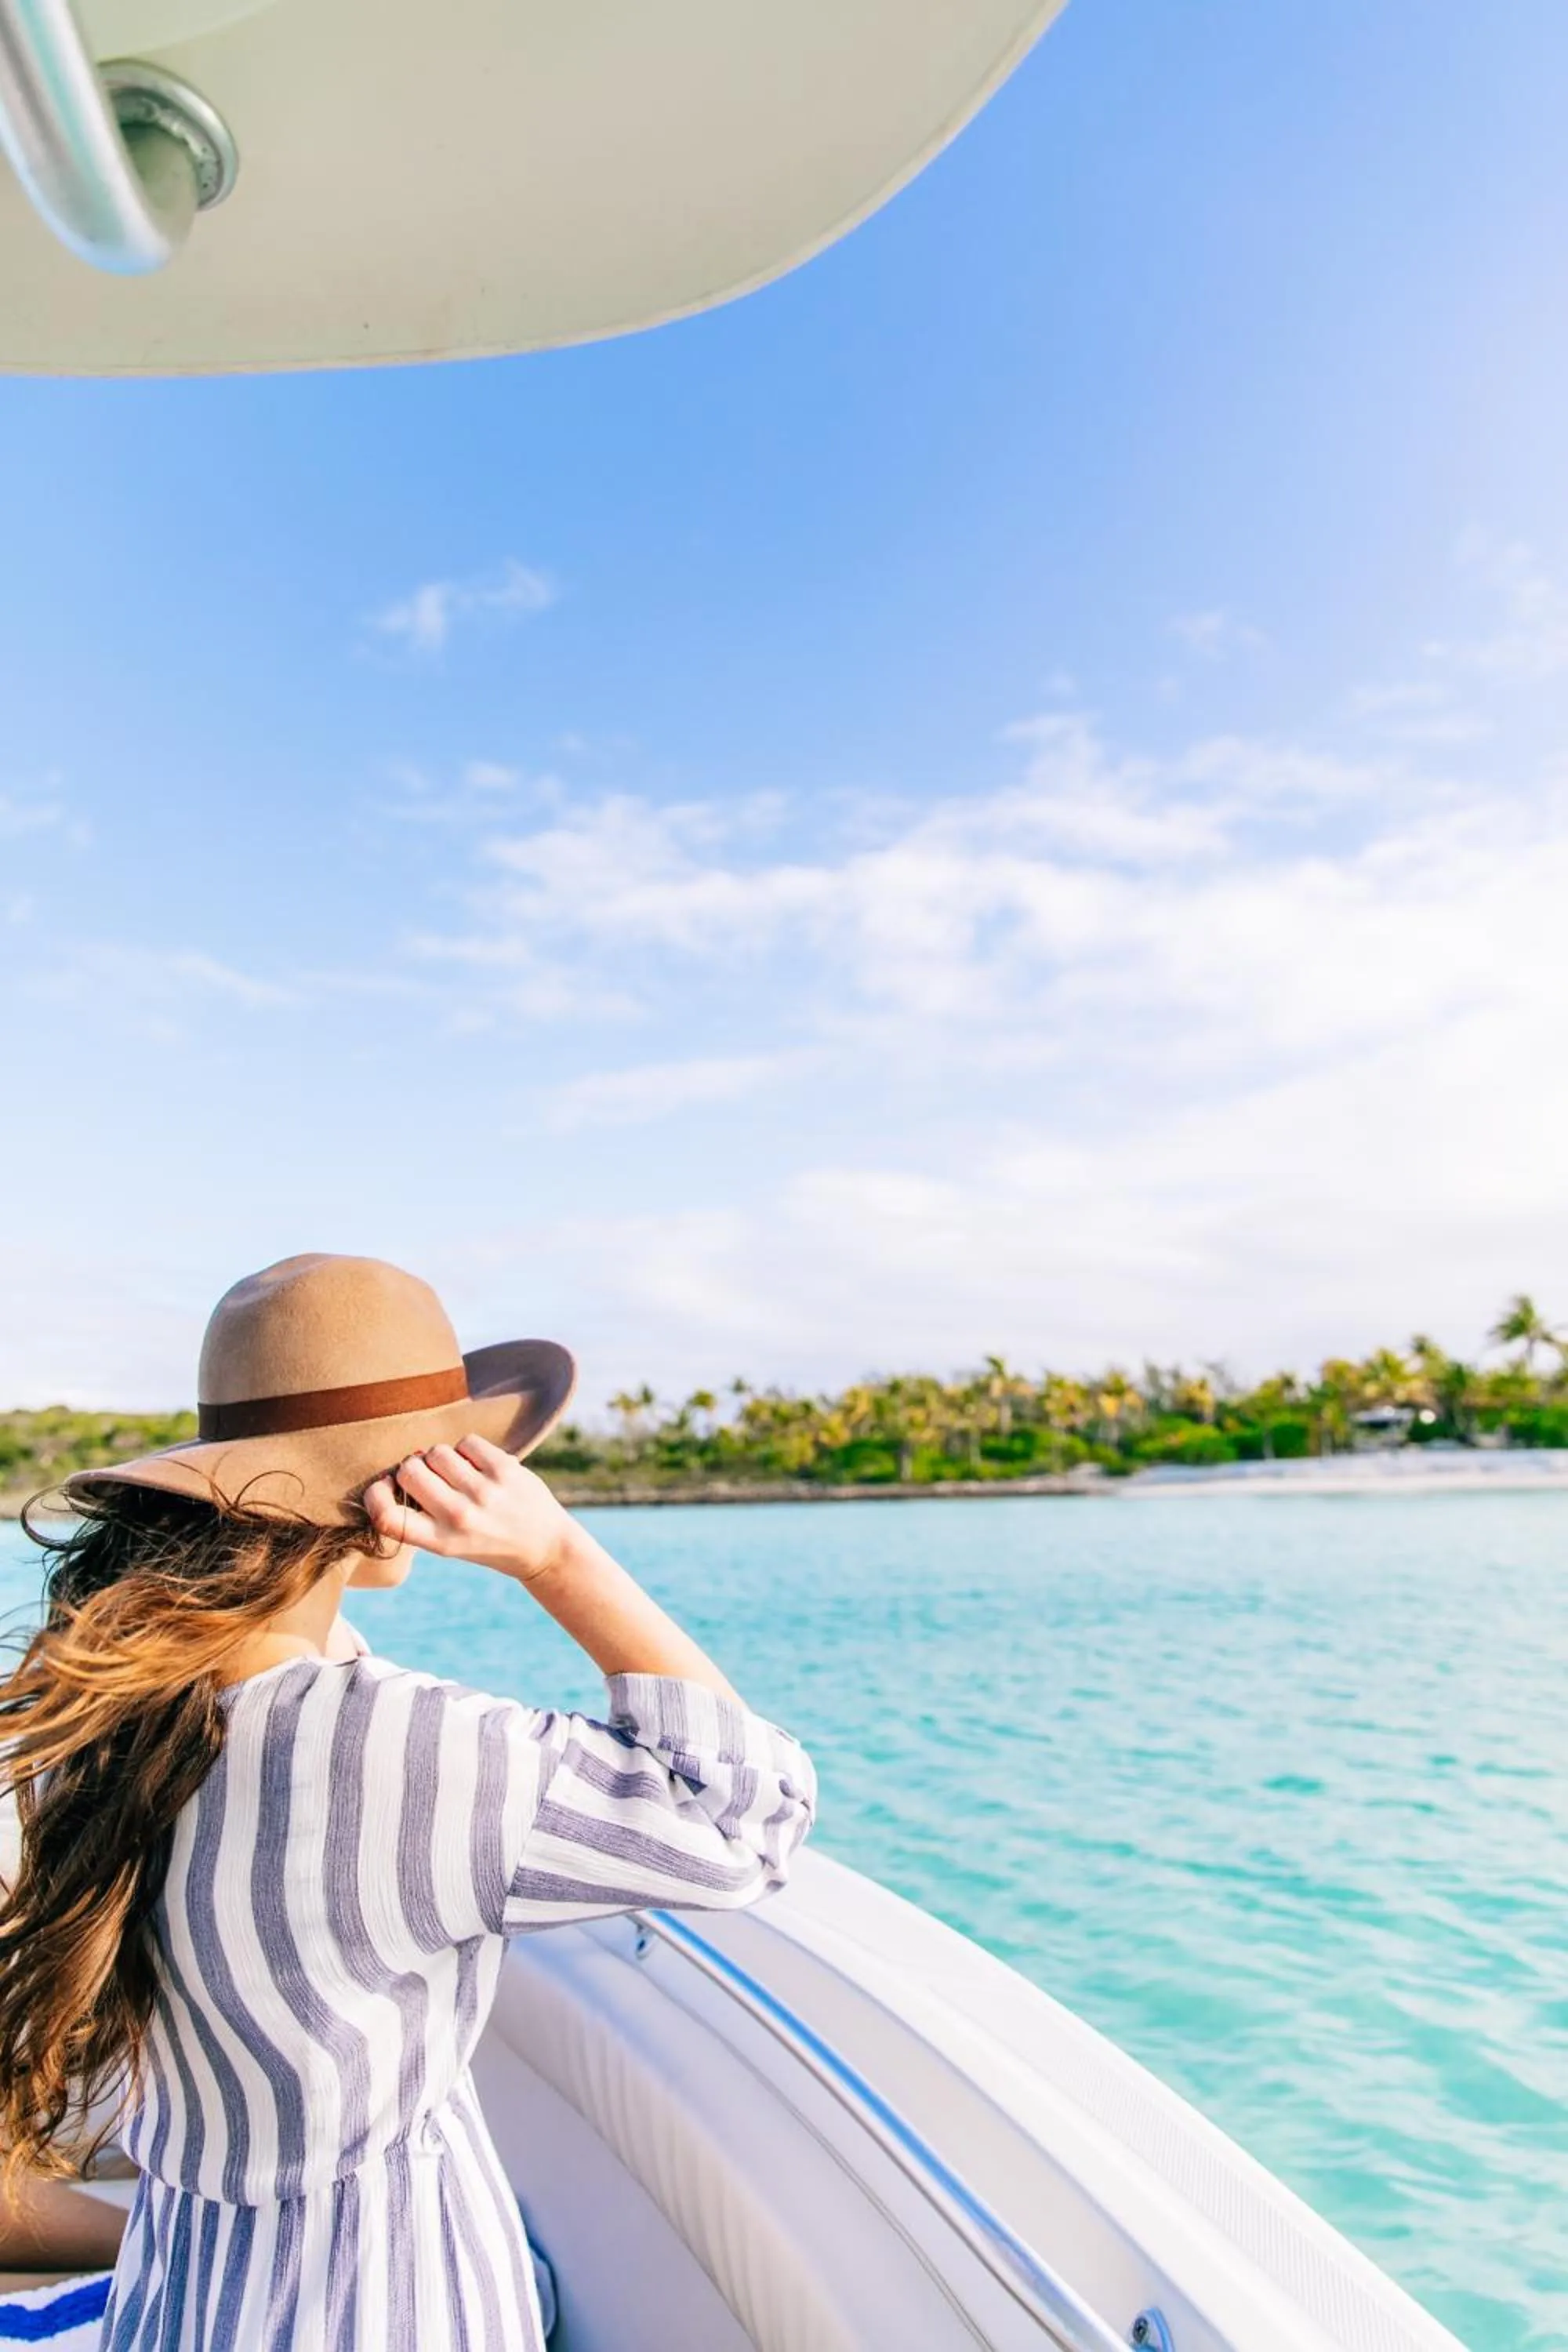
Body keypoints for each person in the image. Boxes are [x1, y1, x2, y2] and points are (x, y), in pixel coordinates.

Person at [0, 1254, 816, 2350]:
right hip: (396, 2309)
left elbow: (284, 1672)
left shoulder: (87, 1716)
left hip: (181, 2300)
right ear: (404, 1495)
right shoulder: (407, 1747)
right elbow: (746, 1818)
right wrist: (559, 1559)